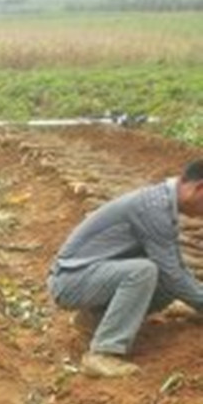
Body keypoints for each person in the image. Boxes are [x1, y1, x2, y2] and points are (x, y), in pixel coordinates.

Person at [48, 159, 203, 378]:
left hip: (89, 275)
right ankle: (102, 353)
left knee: (166, 275)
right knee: (144, 271)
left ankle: (92, 319)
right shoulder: (154, 208)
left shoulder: (162, 203)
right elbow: (173, 275)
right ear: (199, 188)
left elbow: (174, 267)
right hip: (70, 281)